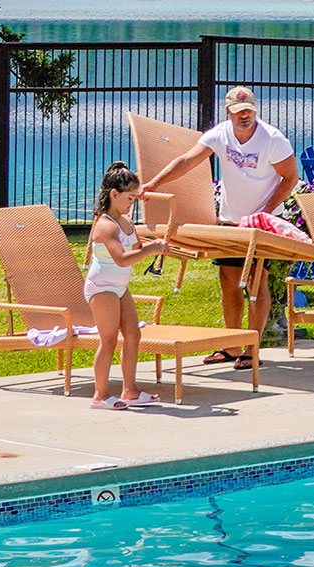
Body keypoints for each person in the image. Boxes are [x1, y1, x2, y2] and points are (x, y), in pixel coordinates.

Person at [139, 86, 298, 372]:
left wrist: (263, 211)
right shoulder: (220, 134)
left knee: (255, 279)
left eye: (248, 110)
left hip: (263, 221)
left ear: (255, 109)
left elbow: (290, 178)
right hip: (230, 219)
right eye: (238, 111)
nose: (244, 115)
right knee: (228, 279)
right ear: (228, 112)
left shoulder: (273, 139)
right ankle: (231, 345)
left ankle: (253, 347)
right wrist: (154, 184)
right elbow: (187, 161)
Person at [83, 162, 169, 411]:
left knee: (133, 334)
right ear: (114, 194)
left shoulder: (125, 221)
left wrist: (156, 246)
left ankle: (129, 391)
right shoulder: (106, 224)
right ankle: (100, 396)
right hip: (102, 287)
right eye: (130, 197)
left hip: (119, 286)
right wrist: (152, 249)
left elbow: (135, 249)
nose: (132, 203)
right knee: (109, 339)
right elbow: (121, 258)